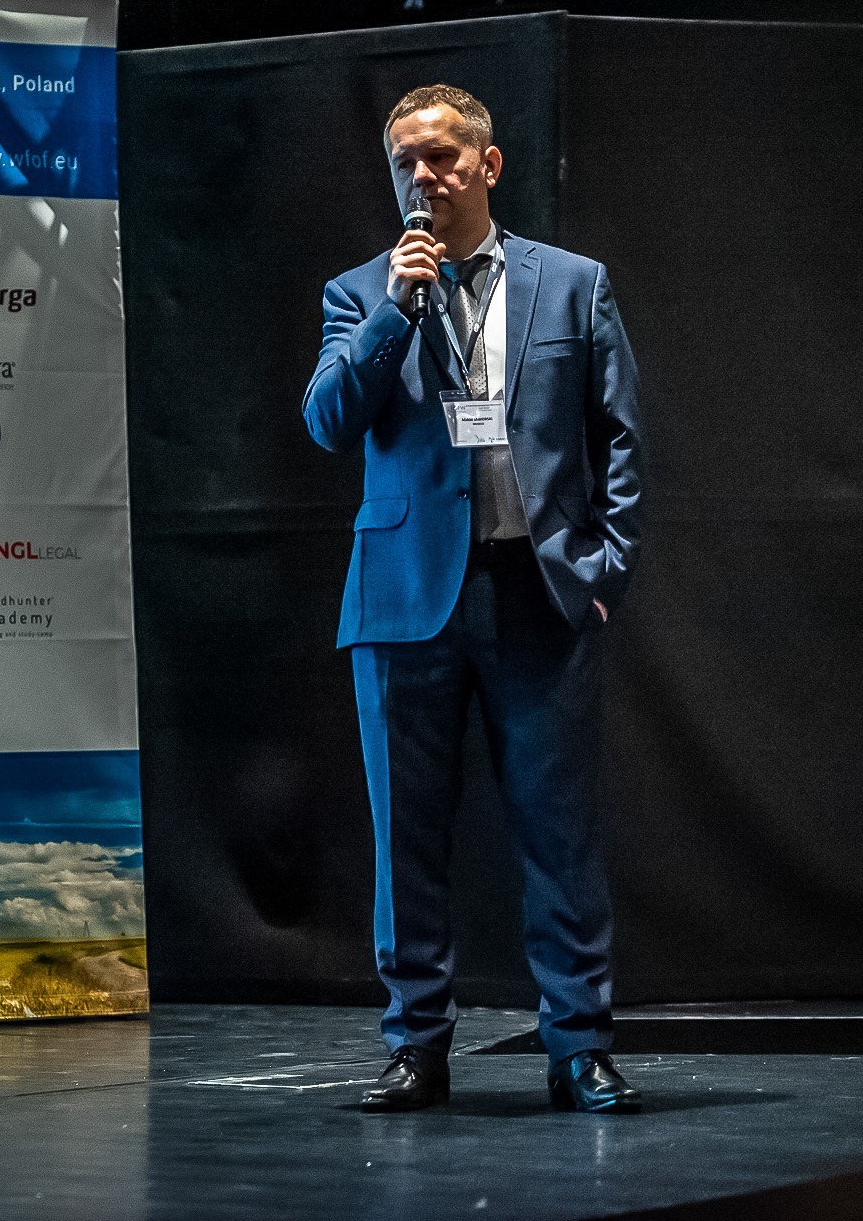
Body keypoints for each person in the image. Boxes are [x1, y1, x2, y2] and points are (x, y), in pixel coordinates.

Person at [302, 84, 644, 1114]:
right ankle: (415, 1046)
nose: (423, 175)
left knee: (558, 835)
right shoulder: (360, 290)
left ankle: (577, 1048)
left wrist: (602, 571)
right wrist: (391, 314)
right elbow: (328, 421)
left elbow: (620, 437)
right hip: (404, 601)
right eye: (406, 160)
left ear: (487, 165)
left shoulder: (572, 284)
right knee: (405, 841)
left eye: (443, 155)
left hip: (538, 593)